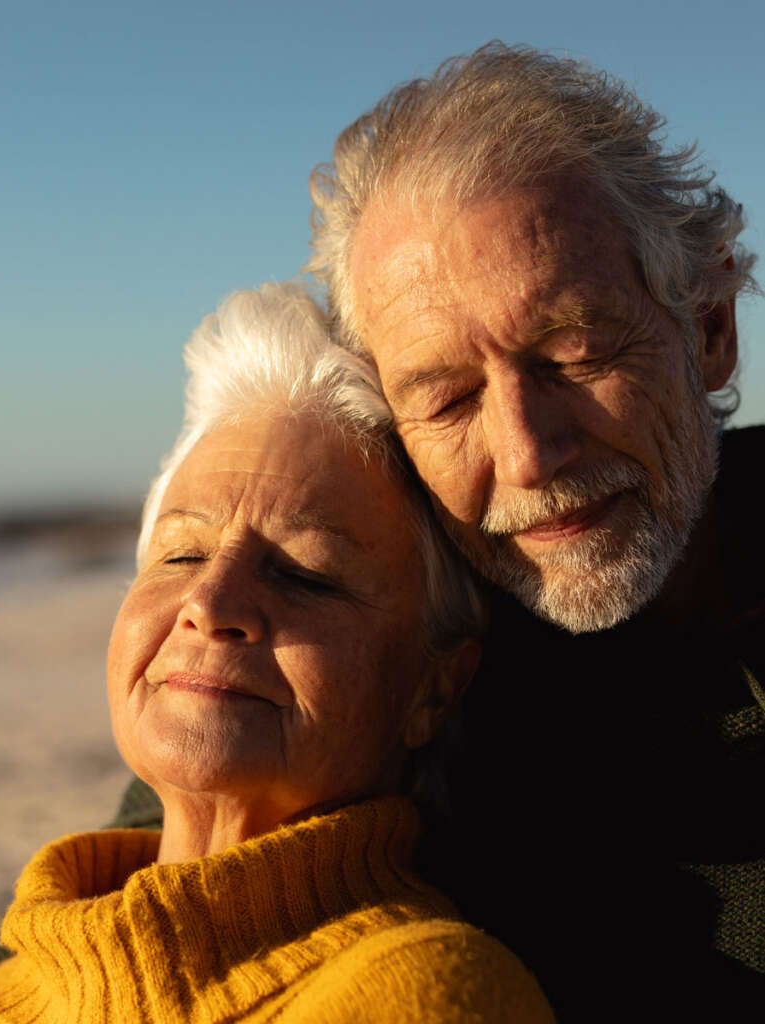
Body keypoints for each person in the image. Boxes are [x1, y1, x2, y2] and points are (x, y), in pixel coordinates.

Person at [0, 283, 555, 1023]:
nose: (209, 603)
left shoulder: (418, 991)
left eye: (304, 574)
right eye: (181, 554)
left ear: (434, 686)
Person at [307, 42, 764, 1021]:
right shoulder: (386, 661)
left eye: (574, 354)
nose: (526, 455)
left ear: (709, 329)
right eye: (447, 399)